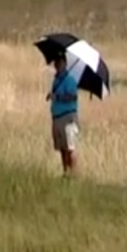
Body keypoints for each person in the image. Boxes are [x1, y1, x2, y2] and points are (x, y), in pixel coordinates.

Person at [46, 48, 82, 177]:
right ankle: (65, 173)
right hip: (57, 117)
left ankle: (74, 174)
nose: (57, 64)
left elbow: (73, 97)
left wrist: (58, 97)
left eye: (60, 62)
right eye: (56, 62)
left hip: (68, 118)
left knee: (70, 148)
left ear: (65, 63)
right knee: (62, 148)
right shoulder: (56, 80)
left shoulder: (70, 80)